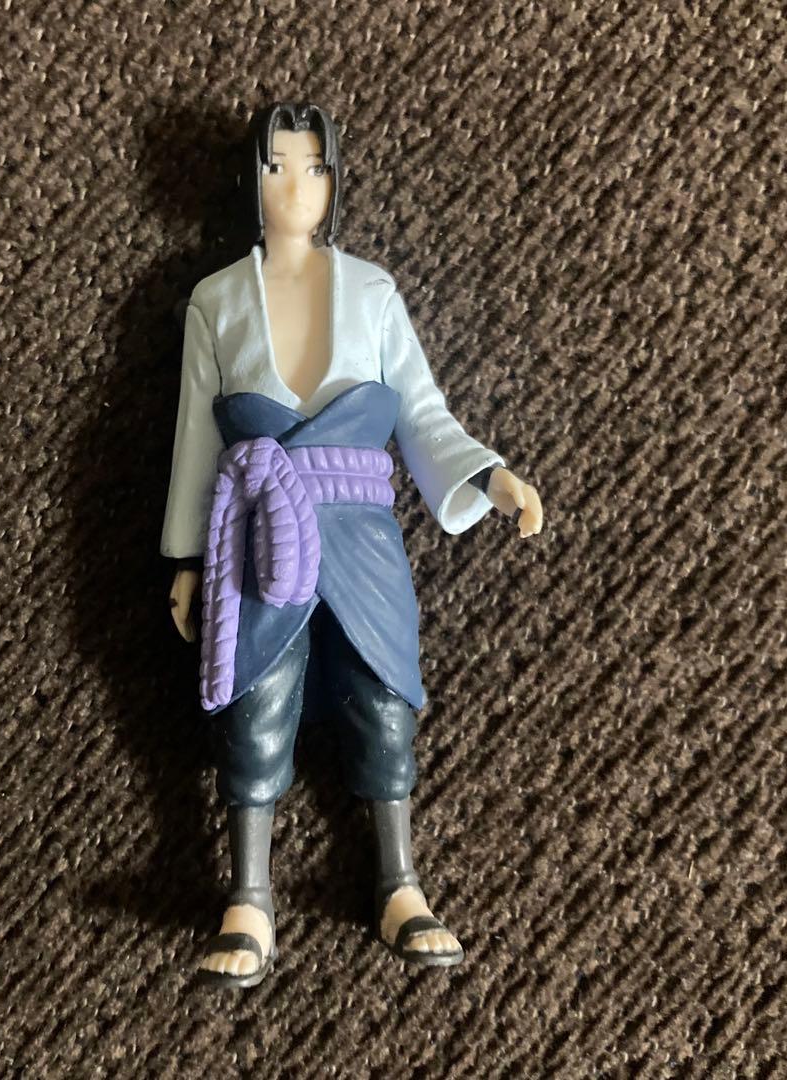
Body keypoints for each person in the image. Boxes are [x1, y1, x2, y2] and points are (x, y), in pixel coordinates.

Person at [161, 102, 543, 988]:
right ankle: (248, 894)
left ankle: (399, 881)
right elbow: (196, 441)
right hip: (257, 531)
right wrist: (186, 560)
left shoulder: (373, 292)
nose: (297, 187)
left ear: (336, 180)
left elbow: (422, 412)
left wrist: (489, 475)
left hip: (362, 530)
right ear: (250, 181)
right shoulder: (216, 300)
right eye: (277, 167)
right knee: (254, 700)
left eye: (315, 168)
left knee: (383, 694)